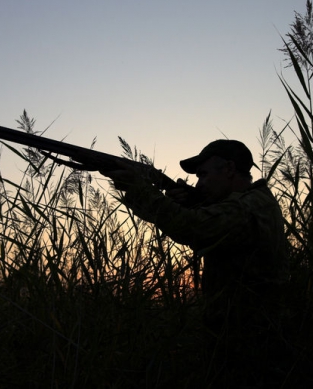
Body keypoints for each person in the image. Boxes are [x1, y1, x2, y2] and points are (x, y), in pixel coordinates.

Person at [101, 139, 290, 385]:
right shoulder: (252, 201)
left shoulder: (247, 207)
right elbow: (200, 224)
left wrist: (139, 189)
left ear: (230, 169)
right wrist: (187, 203)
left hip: (250, 343)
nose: (198, 183)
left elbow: (194, 227)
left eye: (203, 174)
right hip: (244, 337)